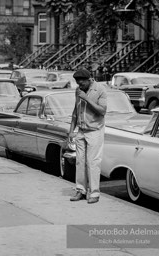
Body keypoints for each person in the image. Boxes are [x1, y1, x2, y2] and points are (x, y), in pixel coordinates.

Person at [69, 68, 107, 204]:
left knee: (93, 162)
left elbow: (102, 111)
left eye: (82, 83)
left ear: (89, 80)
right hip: (81, 130)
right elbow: (75, 110)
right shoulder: (78, 90)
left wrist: (86, 99)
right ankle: (81, 190)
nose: (80, 86)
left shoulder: (100, 90)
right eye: (78, 83)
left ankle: (94, 193)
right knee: (80, 162)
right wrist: (71, 130)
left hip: (94, 131)